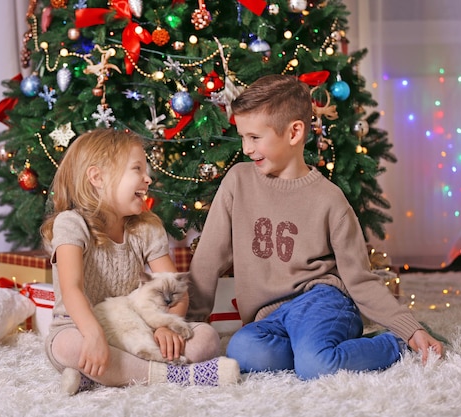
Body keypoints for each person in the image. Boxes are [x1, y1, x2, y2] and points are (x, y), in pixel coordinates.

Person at [187, 74, 444, 380]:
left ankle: (395, 345)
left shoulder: (330, 200)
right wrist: (190, 323)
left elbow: (360, 279)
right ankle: (314, 353)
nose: (246, 148)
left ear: (294, 132)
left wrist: (408, 327)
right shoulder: (237, 182)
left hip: (322, 301)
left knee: (316, 367)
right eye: (243, 137)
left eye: (255, 138)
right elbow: (208, 258)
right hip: (270, 317)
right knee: (243, 351)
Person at [40, 128, 239, 395]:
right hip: (80, 327)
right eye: (137, 169)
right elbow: (72, 288)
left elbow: (174, 291)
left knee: (206, 338)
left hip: (135, 325)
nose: (147, 178)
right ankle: (178, 376)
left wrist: (165, 324)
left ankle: (100, 375)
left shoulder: (146, 227)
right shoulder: (71, 224)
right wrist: (94, 335)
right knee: (67, 347)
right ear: (97, 177)